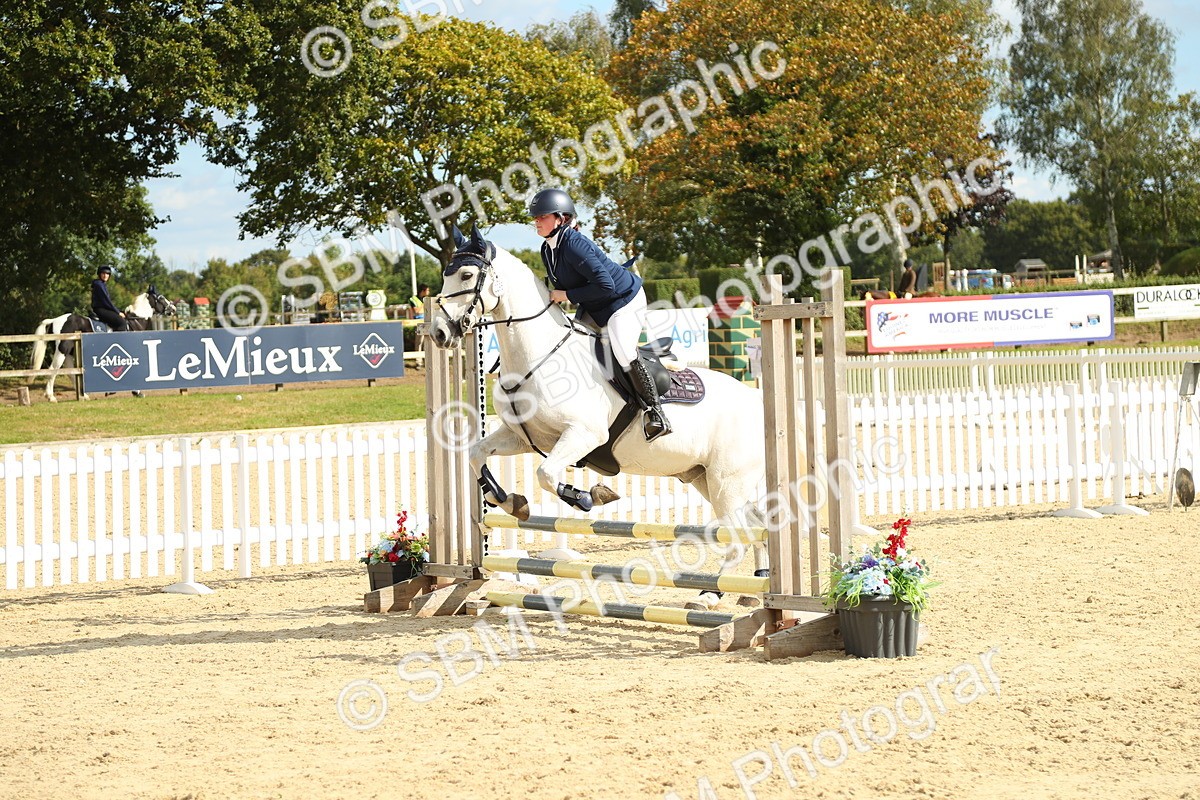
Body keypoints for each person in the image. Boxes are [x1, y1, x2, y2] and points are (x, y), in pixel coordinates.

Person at [529, 187, 671, 441]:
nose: (536, 221)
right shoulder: (547, 249)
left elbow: (606, 285)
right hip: (596, 304)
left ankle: (655, 412)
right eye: (535, 217)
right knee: (571, 345)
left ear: (561, 218)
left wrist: (566, 295)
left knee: (623, 351)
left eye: (542, 216)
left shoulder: (574, 245)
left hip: (623, 300)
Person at [91, 265, 128, 331]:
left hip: (103, 309)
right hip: (101, 309)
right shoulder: (99, 285)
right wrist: (118, 312)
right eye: (103, 273)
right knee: (122, 323)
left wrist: (118, 311)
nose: (105, 276)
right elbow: (107, 301)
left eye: (107, 274)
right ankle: (117, 337)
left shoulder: (102, 284)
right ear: (99, 274)